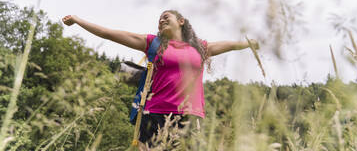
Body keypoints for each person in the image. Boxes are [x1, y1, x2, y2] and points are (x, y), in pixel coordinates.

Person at [62, 10, 259, 150]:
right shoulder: (152, 43)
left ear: (181, 21)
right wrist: (78, 20)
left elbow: (231, 45)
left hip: (188, 116)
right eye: (159, 19)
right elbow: (109, 33)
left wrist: (249, 44)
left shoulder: (200, 47)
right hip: (153, 114)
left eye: (166, 17)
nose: (161, 20)